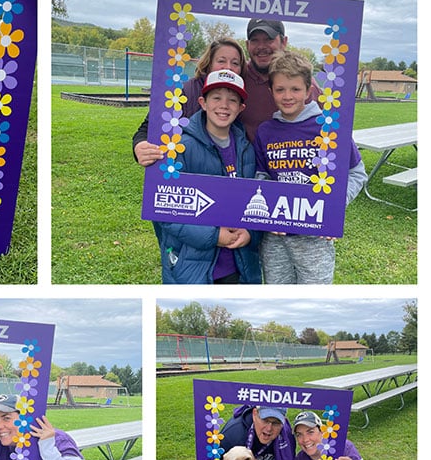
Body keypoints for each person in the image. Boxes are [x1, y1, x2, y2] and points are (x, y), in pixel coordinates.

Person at [253, 51, 368, 284]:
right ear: (271, 91)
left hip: (315, 236)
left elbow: (357, 172)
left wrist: (336, 205)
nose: (287, 96)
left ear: (308, 90)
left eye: (295, 89)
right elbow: (261, 175)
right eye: (280, 89)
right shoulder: (265, 131)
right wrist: (268, 214)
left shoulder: (329, 128)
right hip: (276, 237)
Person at [155, 69, 262, 284]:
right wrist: (214, 236)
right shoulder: (178, 148)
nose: (224, 105)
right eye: (216, 98)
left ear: (241, 108)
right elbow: (164, 210)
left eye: (232, 100)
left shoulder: (246, 150)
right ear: (203, 102)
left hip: (239, 266)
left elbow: (257, 203)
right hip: (194, 267)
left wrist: (250, 233)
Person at [132, 37, 247, 167]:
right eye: (221, 61)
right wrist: (140, 146)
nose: (228, 67)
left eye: (235, 63)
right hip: (185, 172)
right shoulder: (183, 92)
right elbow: (148, 128)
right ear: (209, 63)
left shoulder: (241, 94)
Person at [241, 18, 321, 142]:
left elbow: (333, 128)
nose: (261, 46)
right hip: (249, 160)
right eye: (255, 40)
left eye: (268, 39)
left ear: (284, 42)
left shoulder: (304, 81)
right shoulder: (238, 78)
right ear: (247, 45)